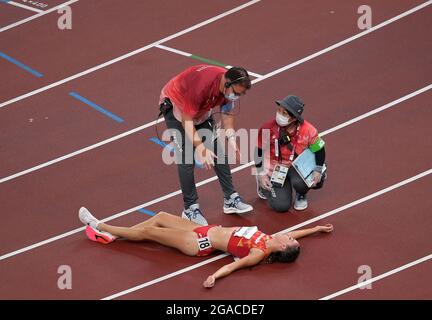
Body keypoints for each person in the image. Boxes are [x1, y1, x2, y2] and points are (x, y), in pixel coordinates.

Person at [79, 207, 334, 288]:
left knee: (149, 232)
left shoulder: (259, 252)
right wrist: (316, 229)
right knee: (158, 217)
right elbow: (299, 232)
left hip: (199, 243)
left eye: (290, 241)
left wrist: (213, 276)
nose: (289, 236)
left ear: (282, 249)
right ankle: (116, 235)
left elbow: (234, 266)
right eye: (291, 237)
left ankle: (102, 226)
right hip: (202, 229)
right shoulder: (271, 237)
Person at [158, 64, 253, 225]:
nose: (237, 97)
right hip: (177, 105)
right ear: (227, 84)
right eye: (237, 93)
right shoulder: (201, 86)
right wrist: (201, 148)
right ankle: (190, 209)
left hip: (200, 109)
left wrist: (231, 138)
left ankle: (230, 199)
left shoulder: (229, 89)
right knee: (186, 158)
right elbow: (187, 120)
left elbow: (227, 114)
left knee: (217, 150)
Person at [254, 95, 327, 212]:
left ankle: (301, 194)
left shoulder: (308, 130)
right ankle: (264, 185)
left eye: (284, 113)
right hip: (276, 169)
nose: (279, 114)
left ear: (294, 118)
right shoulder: (267, 128)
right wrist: (261, 173)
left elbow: (320, 150)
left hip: (297, 168)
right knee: (280, 206)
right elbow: (258, 151)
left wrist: (318, 170)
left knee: (314, 179)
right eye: (279, 110)